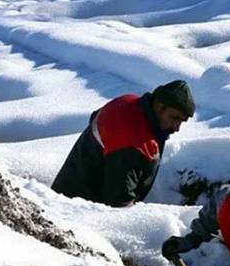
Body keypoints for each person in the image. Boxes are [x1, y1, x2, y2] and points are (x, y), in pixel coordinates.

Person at [51, 80, 194, 207]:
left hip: (66, 197)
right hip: (79, 211)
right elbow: (119, 201)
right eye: (174, 118)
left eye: (181, 121)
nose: (177, 128)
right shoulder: (132, 141)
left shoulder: (131, 104)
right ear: (159, 106)